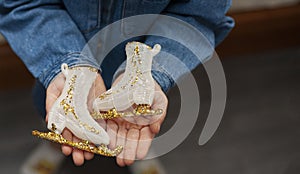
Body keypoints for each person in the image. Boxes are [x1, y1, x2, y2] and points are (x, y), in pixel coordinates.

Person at [0, 0, 234, 167]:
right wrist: (67, 61)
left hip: (142, 49)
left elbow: (199, 15)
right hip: (66, 46)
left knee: (143, 115)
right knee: (50, 104)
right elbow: (22, 3)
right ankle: (56, 141)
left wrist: (154, 72)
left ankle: (137, 133)